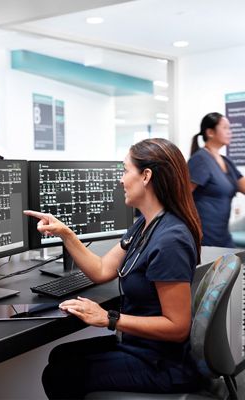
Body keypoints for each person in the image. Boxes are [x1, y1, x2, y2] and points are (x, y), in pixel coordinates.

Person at [24, 138, 203, 399]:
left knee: (59, 374)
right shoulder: (146, 224)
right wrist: (65, 233)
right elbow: (102, 270)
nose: (120, 180)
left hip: (163, 363)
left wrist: (108, 318)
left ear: (146, 176)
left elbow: (177, 327)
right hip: (141, 347)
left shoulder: (170, 240)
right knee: (60, 355)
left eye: (125, 170)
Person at [188, 112, 245, 247]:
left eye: (229, 128)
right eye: (225, 128)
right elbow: (181, 196)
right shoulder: (199, 160)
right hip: (205, 238)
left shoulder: (227, 162)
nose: (229, 132)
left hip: (223, 236)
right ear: (210, 132)